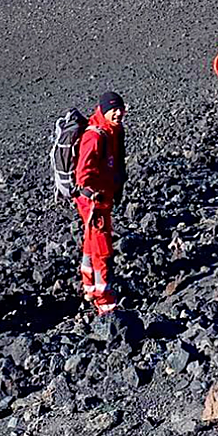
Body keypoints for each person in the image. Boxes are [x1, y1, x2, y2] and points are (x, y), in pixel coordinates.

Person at [74, 91, 128, 315]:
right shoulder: (95, 137)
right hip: (94, 203)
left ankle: (89, 288)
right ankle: (103, 299)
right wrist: (93, 196)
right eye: (112, 109)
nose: (117, 113)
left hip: (102, 199)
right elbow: (82, 174)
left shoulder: (113, 131)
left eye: (120, 109)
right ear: (103, 110)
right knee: (102, 249)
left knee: (90, 245)